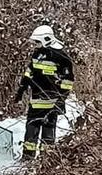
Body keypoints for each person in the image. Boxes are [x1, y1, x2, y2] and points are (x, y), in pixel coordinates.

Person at [14, 25, 74, 160]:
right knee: (31, 131)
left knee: (48, 132)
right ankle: (27, 158)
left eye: (37, 42)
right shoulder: (38, 53)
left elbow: (68, 81)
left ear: (46, 39)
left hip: (52, 103)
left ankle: (46, 160)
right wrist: (22, 88)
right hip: (35, 101)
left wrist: (61, 100)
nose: (35, 45)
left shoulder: (61, 57)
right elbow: (30, 72)